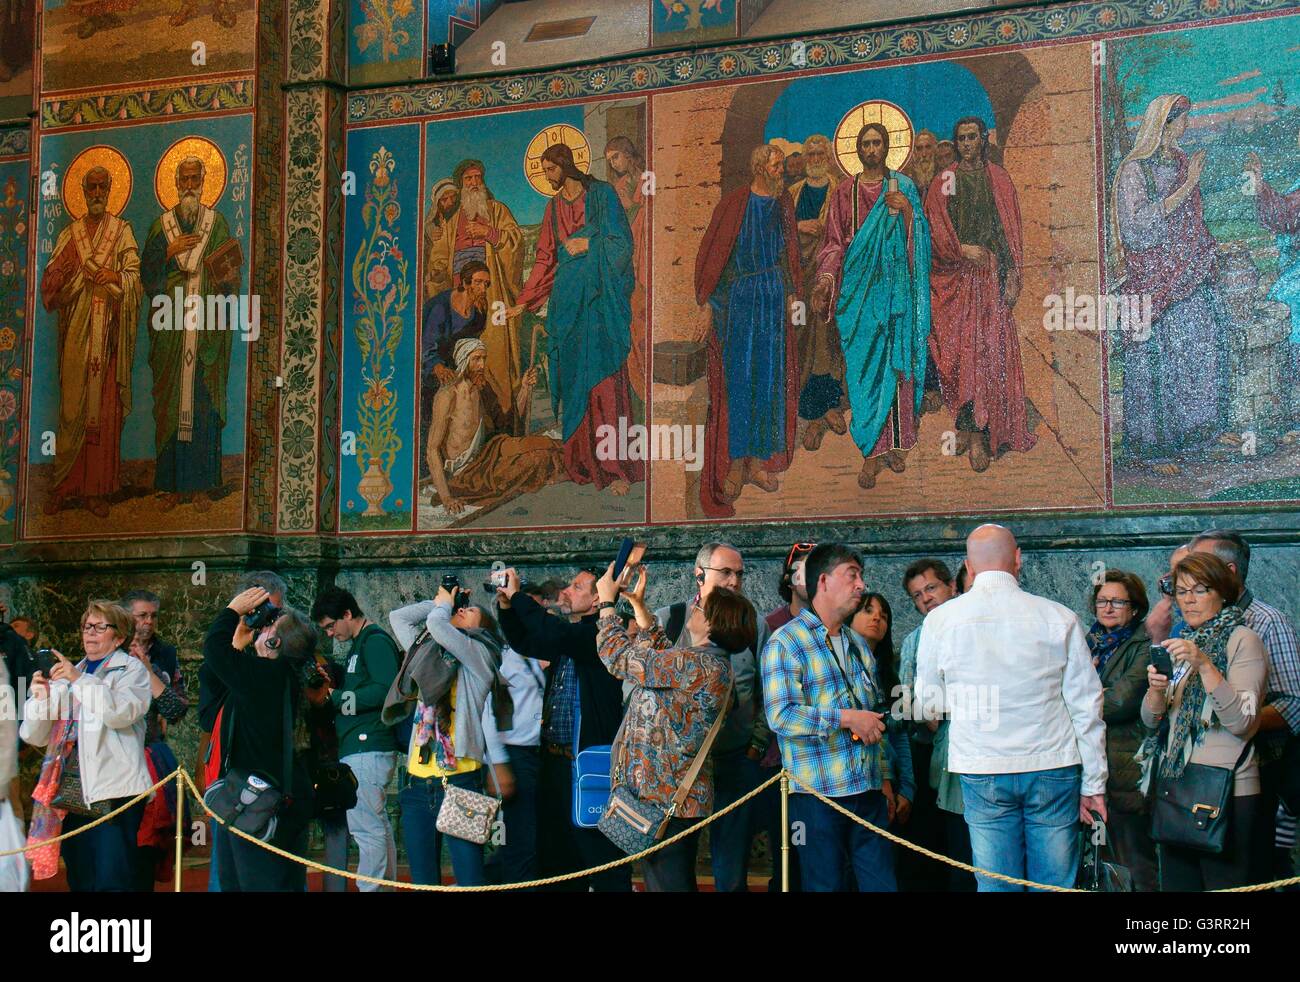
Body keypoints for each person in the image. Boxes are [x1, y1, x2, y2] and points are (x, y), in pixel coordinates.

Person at [915, 525, 1106, 891]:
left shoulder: (940, 621)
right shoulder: (1059, 617)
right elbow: (1087, 706)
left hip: (982, 766)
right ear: (1017, 559)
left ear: (968, 568)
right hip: (1053, 765)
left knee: (997, 884)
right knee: (1053, 886)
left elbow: (929, 704)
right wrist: (1094, 783)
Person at [595, 565, 752, 891]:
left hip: (663, 801)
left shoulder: (695, 665)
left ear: (709, 623)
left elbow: (618, 659)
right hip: (675, 801)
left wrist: (607, 605)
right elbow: (666, 655)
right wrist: (640, 608)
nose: (692, 608)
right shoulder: (708, 663)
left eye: (699, 607)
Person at [507, 143, 642, 494]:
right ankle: (580, 460)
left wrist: (590, 245)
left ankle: (614, 468)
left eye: (550, 169)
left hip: (599, 302)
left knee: (602, 381)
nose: (547, 176)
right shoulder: (553, 209)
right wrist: (525, 300)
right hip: (568, 304)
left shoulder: (602, 194)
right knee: (573, 381)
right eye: (543, 171)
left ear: (565, 165)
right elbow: (544, 260)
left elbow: (622, 242)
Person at [762, 542, 897, 892]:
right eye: (851, 575)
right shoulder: (786, 642)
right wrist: (846, 719)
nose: (860, 585)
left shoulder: (857, 644)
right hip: (817, 796)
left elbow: (873, 714)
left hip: (867, 791)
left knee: (882, 884)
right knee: (825, 886)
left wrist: (884, 777)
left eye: (861, 576)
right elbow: (781, 716)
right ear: (822, 581)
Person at [497, 565, 631, 891]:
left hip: (588, 762)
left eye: (576, 587)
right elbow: (527, 641)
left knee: (598, 856)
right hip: (555, 762)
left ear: (599, 597)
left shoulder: (601, 633)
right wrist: (505, 606)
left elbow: (555, 632)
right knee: (555, 857)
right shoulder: (567, 636)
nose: (566, 592)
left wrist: (518, 596)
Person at [1110, 95, 1226, 470]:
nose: (1185, 128)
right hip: (1152, 280)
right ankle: (1152, 449)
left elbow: (1192, 222)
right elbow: (1138, 229)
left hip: (1187, 273)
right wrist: (1187, 185)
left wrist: (1213, 246)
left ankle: (1201, 431)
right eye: (1180, 122)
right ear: (1162, 125)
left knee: (1201, 342)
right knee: (1155, 359)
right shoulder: (1133, 171)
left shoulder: (1178, 162)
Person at [814, 122, 932, 489]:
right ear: (857, 150)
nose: (871, 149)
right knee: (865, 374)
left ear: (886, 147)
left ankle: (897, 444)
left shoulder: (905, 187)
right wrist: (825, 280)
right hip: (861, 296)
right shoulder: (844, 193)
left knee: (898, 371)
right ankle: (871, 453)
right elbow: (834, 242)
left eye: (877, 143)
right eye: (864, 144)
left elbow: (923, 238)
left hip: (896, 292)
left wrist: (909, 214)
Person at [1142, 553, 1267, 890]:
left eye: (1200, 590)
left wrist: (1205, 665)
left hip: (1226, 789)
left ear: (1222, 592)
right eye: (1182, 592)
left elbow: (1242, 721)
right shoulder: (1185, 641)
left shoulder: (1243, 640)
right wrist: (1156, 691)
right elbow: (1152, 721)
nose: (1189, 600)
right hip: (1177, 783)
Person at [1187, 530, 1300, 885]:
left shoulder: (1265, 622)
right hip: (1200, 776)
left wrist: (1225, 720)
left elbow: (1292, 704)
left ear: (1229, 571)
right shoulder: (1195, 628)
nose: (1189, 586)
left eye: (1200, 568)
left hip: (1255, 770)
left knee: (1249, 874)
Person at [653, 542, 766, 892]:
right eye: (726, 572)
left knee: (732, 872)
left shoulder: (754, 625)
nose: (734, 581)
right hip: (678, 769)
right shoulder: (669, 619)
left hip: (734, 761)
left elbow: (767, 691)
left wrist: (756, 746)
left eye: (739, 574)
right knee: (674, 867)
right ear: (699, 575)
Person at [925, 117, 1036, 472]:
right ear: (955, 143)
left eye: (973, 137)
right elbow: (934, 229)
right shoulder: (945, 181)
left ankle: (987, 432)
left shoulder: (999, 179)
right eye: (961, 138)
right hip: (957, 281)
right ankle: (970, 431)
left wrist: (1013, 275)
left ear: (983, 139)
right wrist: (960, 249)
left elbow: (1010, 231)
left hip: (990, 279)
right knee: (962, 358)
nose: (967, 143)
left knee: (991, 355)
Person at [695, 144, 802, 513]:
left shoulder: (782, 202)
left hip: (772, 296)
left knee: (769, 380)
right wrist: (710, 302)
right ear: (760, 167)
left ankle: (758, 462)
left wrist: (793, 293)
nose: (781, 172)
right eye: (776, 166)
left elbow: (791, 253)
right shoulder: (734, 203)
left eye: (782, 167)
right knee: (739, 381)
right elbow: (715, 251)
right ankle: (737, 463)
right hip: (741, 297)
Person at [21, 600, 152, 891]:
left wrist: (79, 679)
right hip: (70, 793)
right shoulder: (69, 673)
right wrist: (40, 698)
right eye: (87, 626)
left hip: (115, 791)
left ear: (119, 636)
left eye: (100, 627)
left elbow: (120, 713)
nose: (90, 633)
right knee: (81, 877)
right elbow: (34, 736)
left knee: (113, 878)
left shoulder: (131, 670)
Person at [39, 165, 144, 518]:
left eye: (103, 187)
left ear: (111, 190)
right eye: (91, 187)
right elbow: (51, 284)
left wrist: (114, 275)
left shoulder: (122, 231)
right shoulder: (71, 234)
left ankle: (97, 491)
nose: (97, 193)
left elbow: (134, 276)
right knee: (71, 409)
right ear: (83, 192)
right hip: (76, 334)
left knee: (104, 411)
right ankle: (65, 486)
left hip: (108, 335)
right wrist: (58, 275)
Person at [140, 155, 242, 512]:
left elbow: (231, 274)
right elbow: (147, 277)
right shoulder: (160, 227)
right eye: (183, 178)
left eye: (194, 178)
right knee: (170, 403)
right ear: (175, 182)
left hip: (207, 331)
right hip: (171, 331)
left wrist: (229, 280)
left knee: (203, 402)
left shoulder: (218, 224)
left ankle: (202, 486)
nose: (189, 184)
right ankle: (171, 485)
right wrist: (168, 252)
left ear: (203, 180)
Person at [390, 584, 510, 887]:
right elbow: (398, 618)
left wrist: (444, 609)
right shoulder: (428, 653)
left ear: (482, 628)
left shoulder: (482, 655)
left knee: (469, 877)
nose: (461, 610)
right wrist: (439, 601)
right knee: (422, 879)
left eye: (469, 610)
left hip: (460, 782)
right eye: (460, 607)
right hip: (418, 784)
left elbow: (437, 626)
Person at [203, 589, 318, 891]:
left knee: (250, 883)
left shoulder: (267, 675)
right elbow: (219, 679)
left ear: (274, 642)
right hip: (283, 797)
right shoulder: (287, 676)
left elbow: (214, 650)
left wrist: (231, 611)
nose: (262, 627)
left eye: (269, 627)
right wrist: (239, 645)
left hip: (257, 801)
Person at [197, 570, 286, 892]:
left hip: (277, 783)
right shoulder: (226, 655)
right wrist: (234, 646)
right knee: (227, 871)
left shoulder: (289, 654)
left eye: (271, 612)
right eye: (255, 611)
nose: (263, 621)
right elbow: (208, 718)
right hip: (231, 781)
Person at [312, 586, 402, 892]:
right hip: (361, 746)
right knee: (375, 826)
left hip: (368, 745)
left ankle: (371, 889)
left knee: (366, 828)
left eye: (330, 626)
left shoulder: (374, 642)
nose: (329, 634)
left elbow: (384, 689)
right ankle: (381, 888)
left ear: (347, 614)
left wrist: (336, 697)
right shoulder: (360, 644)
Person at [427, 159, 524, 411]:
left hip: (491, 298)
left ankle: (501, 418)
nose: (473, 183)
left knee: (495, 358)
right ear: (460, 185)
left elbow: (516, 241)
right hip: (461, 302)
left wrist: (489, 234)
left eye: (477, 178)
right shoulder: (450, 223)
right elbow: (439, 257)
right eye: (468, 179)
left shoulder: (497, 210)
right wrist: (435, 270)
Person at [1087, 569, 1158, 891]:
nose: (1109, 608)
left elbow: (1119, 702)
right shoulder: (1086, 642)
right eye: (1102, 601)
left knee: (1134, 861)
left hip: (1127, 768)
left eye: (1118, 601)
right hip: (1089, 767)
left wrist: (1080, 696)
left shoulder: (1145, 644)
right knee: (1096, 863)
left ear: (1136, 608)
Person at [894, 558, 958, 891]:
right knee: (933, 848)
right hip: (928, 752)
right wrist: (930, 716)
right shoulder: (914, 641)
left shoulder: (970, 626)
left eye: (931, 588)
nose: (926, 599)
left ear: (952, 586)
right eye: (917, 595)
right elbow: (905, 702)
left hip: (977, 752)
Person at [120, 589, 188, 891]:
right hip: (114, 755)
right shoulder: (110, 653)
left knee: (148, 840)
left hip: (149, 754)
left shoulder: (165, 654)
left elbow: (175, 708)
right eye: (141, 615)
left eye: (153, 616)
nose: (148, 622)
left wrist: (148, 670)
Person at [481, 635, 545, 885]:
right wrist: (498, 763)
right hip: (512, 756)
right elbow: (489, 710)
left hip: (534, 755)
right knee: (517, 842)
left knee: (523, 840)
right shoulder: (506, 658)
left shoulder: (530, 656)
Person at [851, 593, 913, 835]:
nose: (876, 618)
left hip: (893, 781)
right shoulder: (843, 669)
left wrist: (907, 788)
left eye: (883, 615)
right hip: (860, 779)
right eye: (867, 610)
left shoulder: (889, 674)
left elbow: (900, 735)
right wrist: (883, 779)